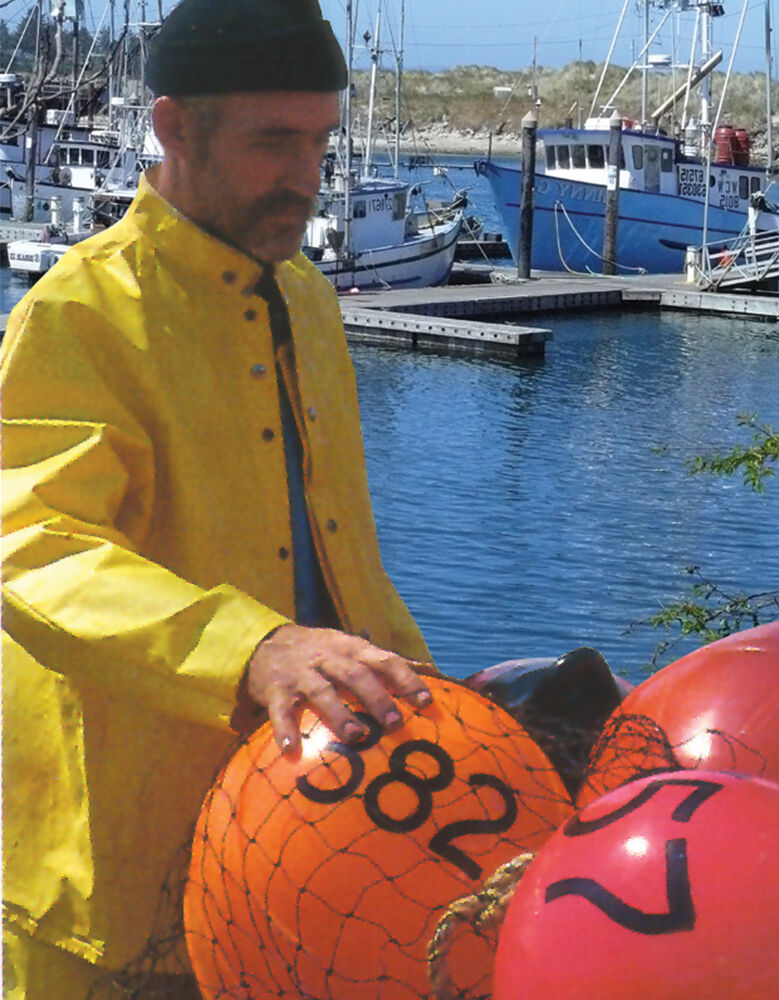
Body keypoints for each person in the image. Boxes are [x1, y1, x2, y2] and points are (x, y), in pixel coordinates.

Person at [1, 1, 439, 996]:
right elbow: (31, 543)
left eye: (321, 141)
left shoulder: (310, 301)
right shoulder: (79, 310)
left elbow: (339, 560)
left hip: (308, 854)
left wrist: (421, 689)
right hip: (115, 880)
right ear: (174, 129)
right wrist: (252, 648)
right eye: (272, 142)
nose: (305, 177)